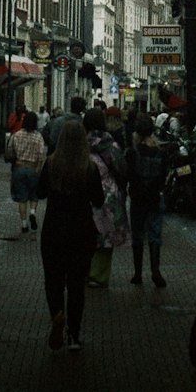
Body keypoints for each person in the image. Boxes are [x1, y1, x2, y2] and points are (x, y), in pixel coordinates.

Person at [35, 120, 103, 353]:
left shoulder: (51, 164)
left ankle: (57, 314)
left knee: (53, 279)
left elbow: (40, 192)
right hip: (82, 232)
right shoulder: (90, 167)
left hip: (54, 230)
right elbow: (99, 200)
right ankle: (74, 335)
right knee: (76, 285)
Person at [126, 114, 172, 288]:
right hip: (154, 198)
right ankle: (155, 271)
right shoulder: (160, 153)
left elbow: (129, 175)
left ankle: (138, 273)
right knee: (155, 235)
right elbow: (163, 176)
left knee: (137, 236)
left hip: (138, 199)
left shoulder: (132, 152)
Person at [84, 105, 128, 287]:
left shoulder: (80, 144)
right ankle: (99, 275)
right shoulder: (111, 145)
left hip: (84, 195)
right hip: (108, 195)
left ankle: (84, 271)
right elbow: (122, 170)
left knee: (85, 235)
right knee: (106, 237)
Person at [6, 109, 47, 233]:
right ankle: (33, 212)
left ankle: (24, 224)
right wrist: (39, 169)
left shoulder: (17, 135)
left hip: (19, 168)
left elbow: (10, 150)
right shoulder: (38, 136)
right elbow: (41, 155)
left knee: (22, 197)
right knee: (34, 195)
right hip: (33, 168)